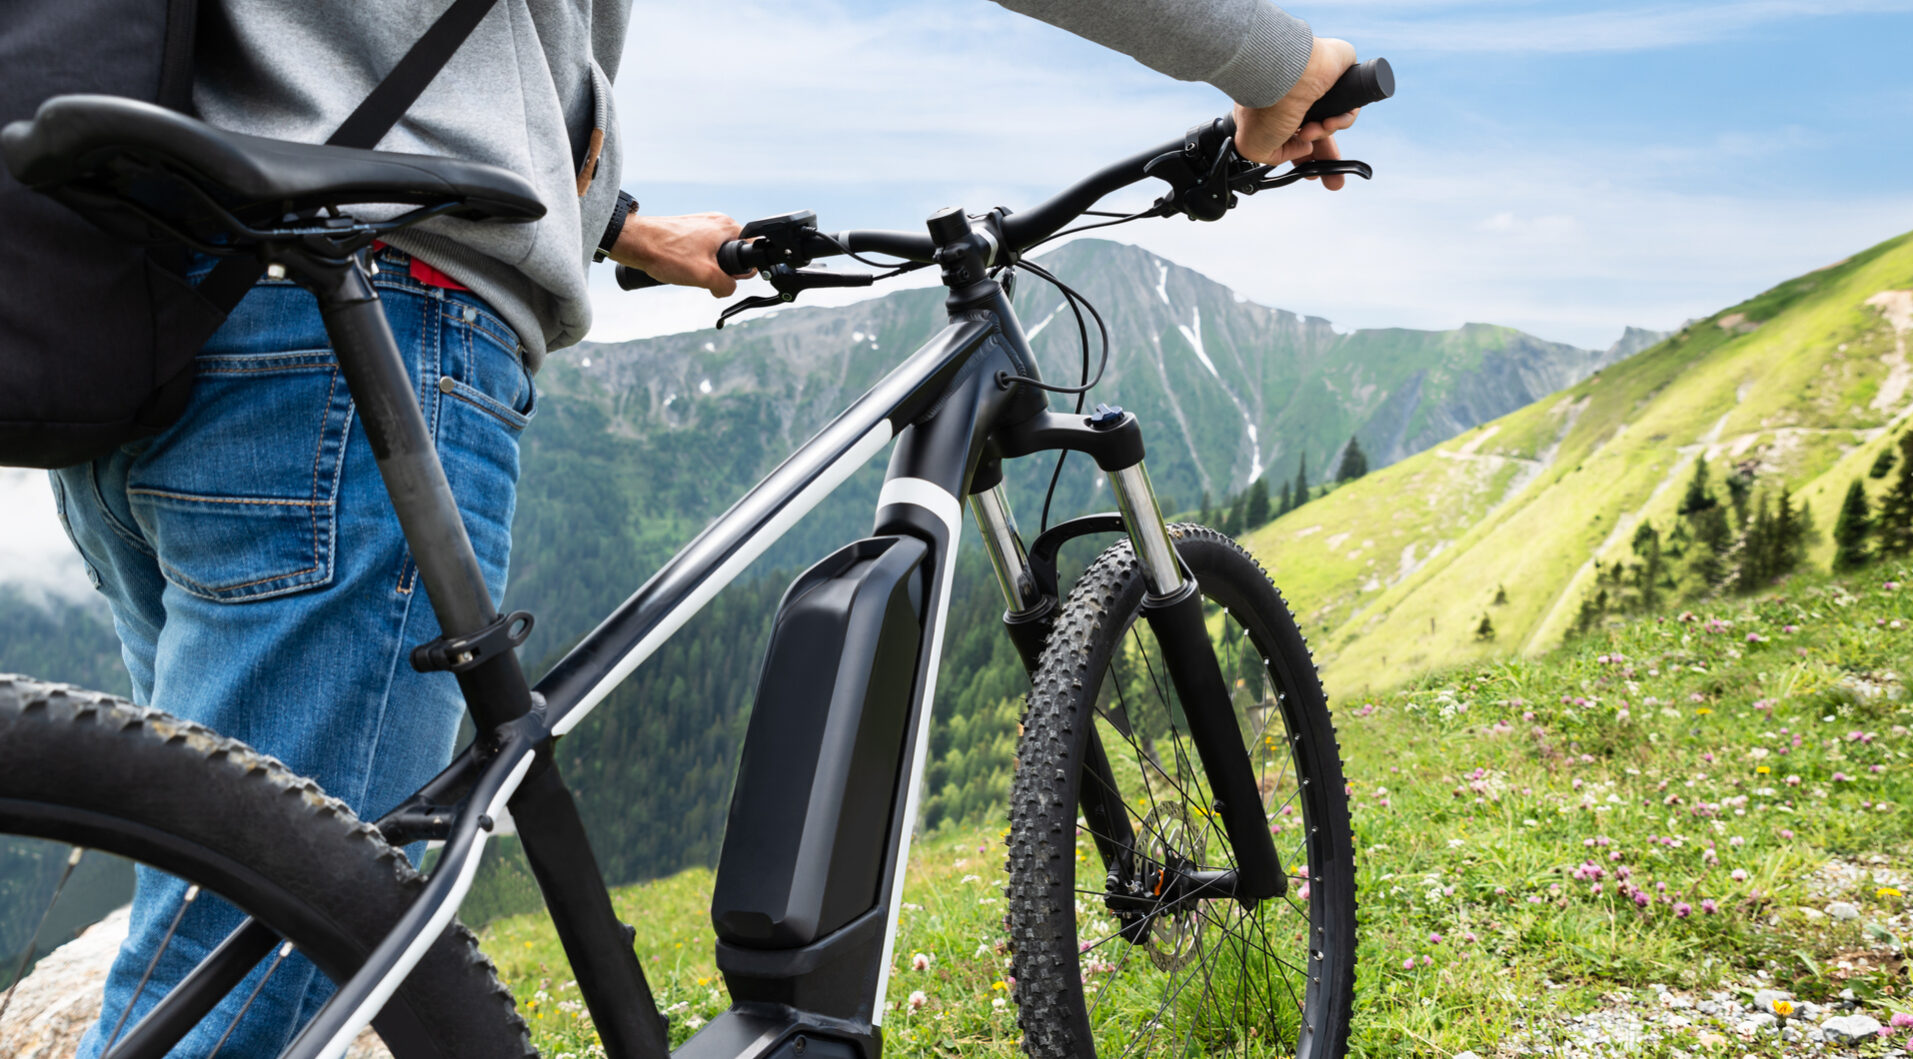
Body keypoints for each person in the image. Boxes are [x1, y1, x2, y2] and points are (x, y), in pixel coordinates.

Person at [50, 2, 1365, 1056]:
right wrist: (1275, 64)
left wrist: (621, 227)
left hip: (154, 326)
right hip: (359, 337)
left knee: (232, 874)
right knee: (272, 945)